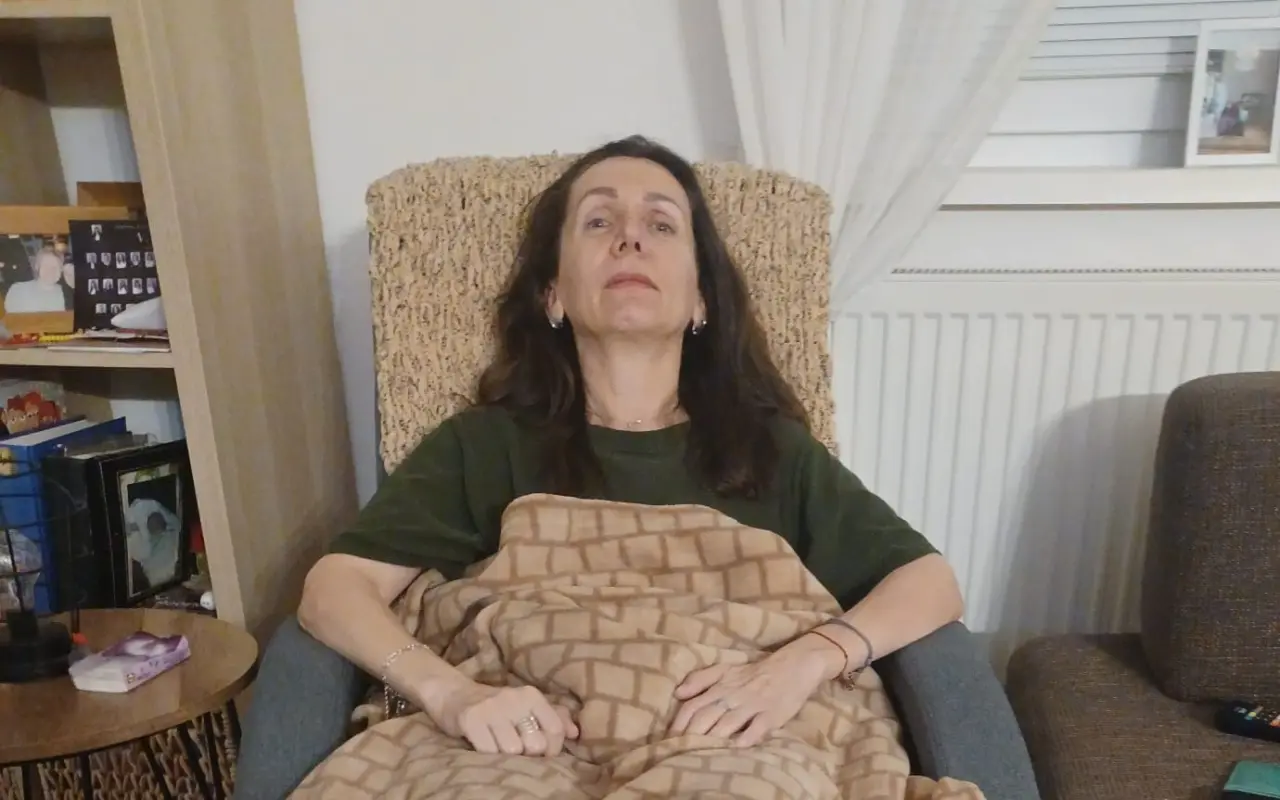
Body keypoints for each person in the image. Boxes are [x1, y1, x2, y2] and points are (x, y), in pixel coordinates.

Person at [297, 135, 963, 761]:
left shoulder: (766, 450)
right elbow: (333, 589)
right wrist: (451, 694)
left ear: (700, 300)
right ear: (554, 294)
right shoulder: (483, 444)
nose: (630, 237)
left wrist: (806, 660)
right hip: (527, 754)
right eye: (598, 221)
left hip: (722, 755)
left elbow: (929, 582)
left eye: (662, 224)